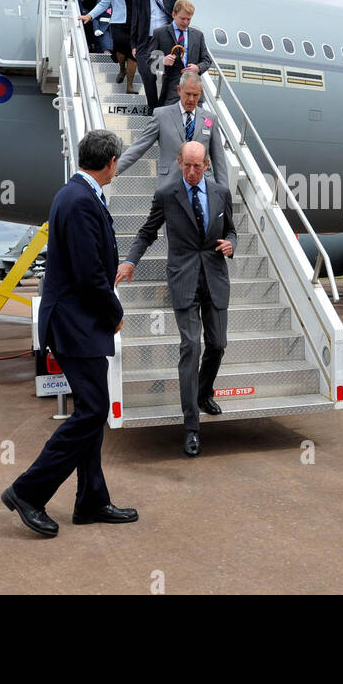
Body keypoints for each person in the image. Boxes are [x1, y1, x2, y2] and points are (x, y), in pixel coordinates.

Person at [3, 129, 138, 537]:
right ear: (111, 162)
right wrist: (113, 310)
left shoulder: (76, 195)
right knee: (92, 412)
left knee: (90, 413)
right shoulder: (80, 200)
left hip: (78, 322)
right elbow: (88, 273)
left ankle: (91, 500)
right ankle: (28, 491)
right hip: (77, 323)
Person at [116, 141, 236, 457]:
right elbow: (146, 232)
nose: (192, 172)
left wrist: (231, 244)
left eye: (198, 166)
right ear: (179, 162)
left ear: (207, 165)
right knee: (190, 348)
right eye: (187, 165)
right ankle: (191, 428)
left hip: (214, 278)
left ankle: (203, 391)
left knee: (218, 344)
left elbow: (232, 230)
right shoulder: (167, 194)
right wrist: (130, 261)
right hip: (183, 279)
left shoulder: (222, 193)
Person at [117, 72, 229, 190]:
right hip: (169, 185)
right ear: (179, 90)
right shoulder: (161, 115)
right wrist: (114, 169)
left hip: (202, 186)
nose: (191, 99)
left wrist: (224, 193)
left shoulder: (211, 119)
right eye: (188, 94)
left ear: (201, 93)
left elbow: (219, 160)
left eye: (195, 95)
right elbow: (139, 146)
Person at [86, 0, 146, 92]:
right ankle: (121, 69)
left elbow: (148, 7)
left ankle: (129, 86)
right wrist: (89, 16)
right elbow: (103, 4)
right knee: (119, 50)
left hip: (135, 26)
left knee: (133, 54)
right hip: (118, 24)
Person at [143, 0, 213, 109]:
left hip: (194, 91)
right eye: (182, 18)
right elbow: (148, 59)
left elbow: (207, 60)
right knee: (170, 123)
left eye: (189, 19)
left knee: (194, 124)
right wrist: (162, 61)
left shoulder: (198, 35)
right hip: (171, 90)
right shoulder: (160, 33)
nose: (185, 22)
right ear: (174, 14)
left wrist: (198, 68)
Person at [130, 0, 178, 113]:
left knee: (165, 76)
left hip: (165, 40)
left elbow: (175, 18)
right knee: (148, 74)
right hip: (146, 41)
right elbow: (134, 23)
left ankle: (161, 108)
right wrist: (134, 45)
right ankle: (153, 107)